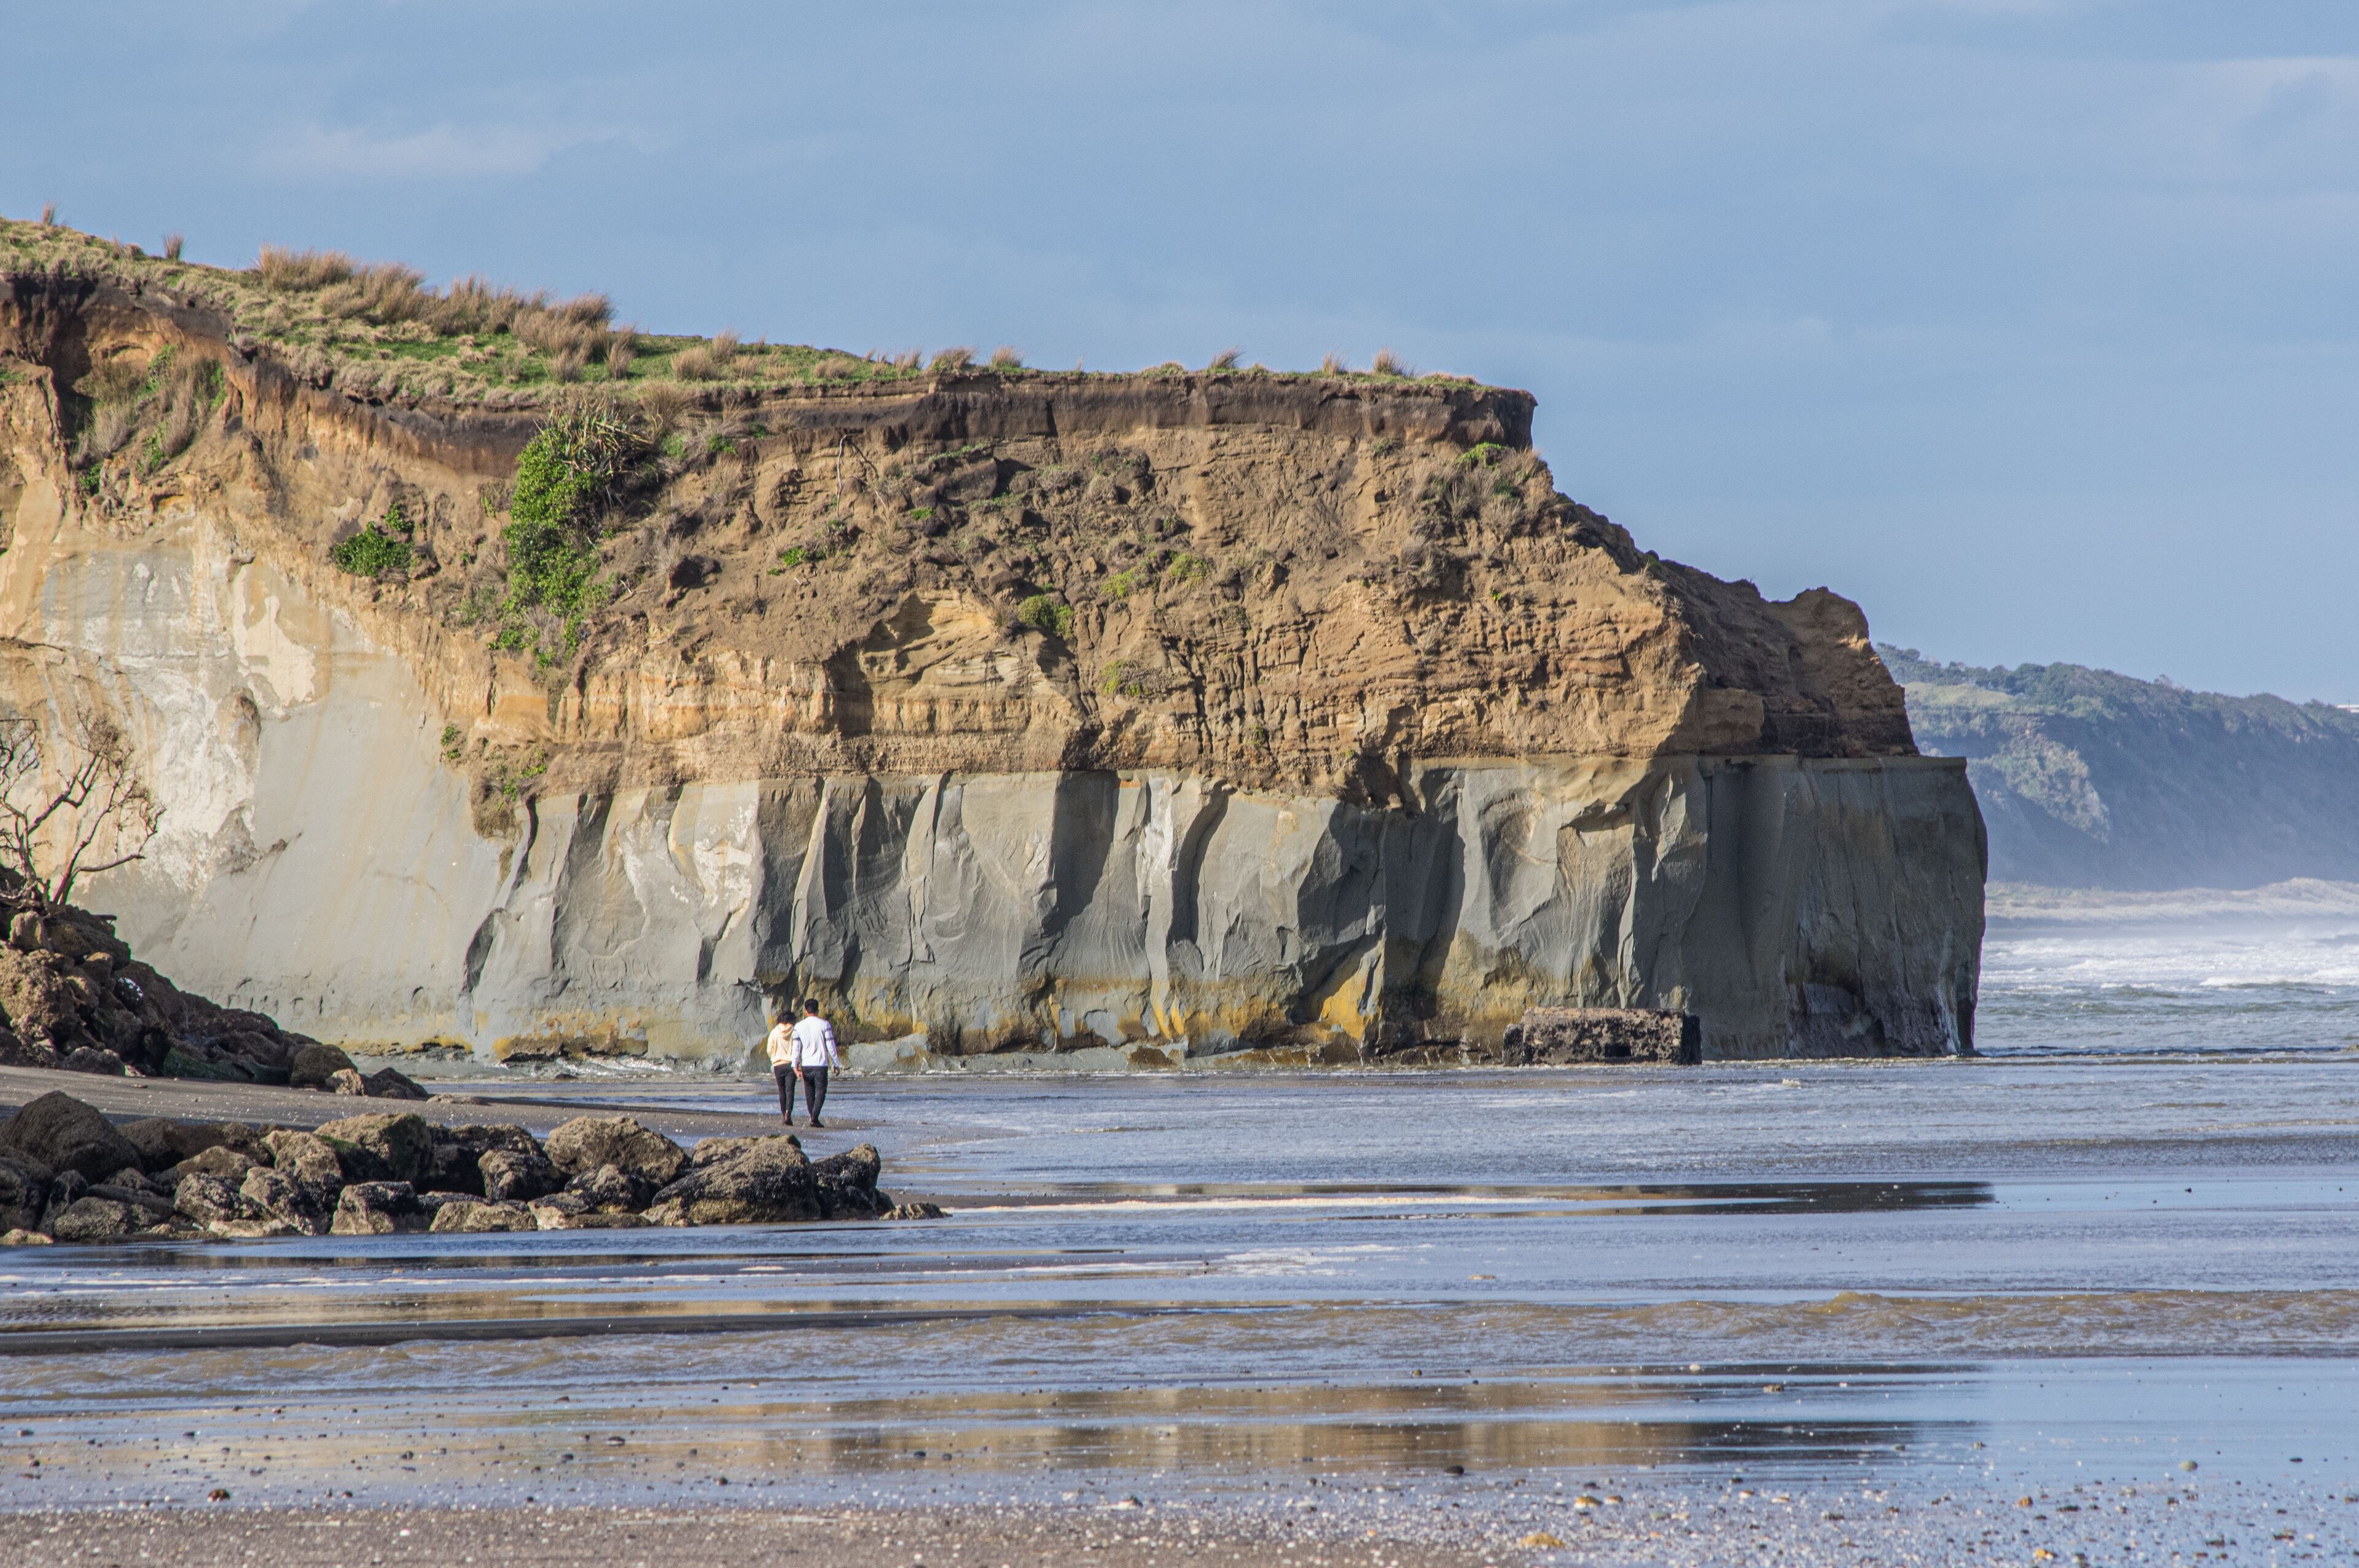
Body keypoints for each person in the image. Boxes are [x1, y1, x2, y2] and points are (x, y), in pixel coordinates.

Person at [778, 996, 840, 1128]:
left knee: (810, 1093)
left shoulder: (799, 1027)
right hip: (821, 1064)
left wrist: (795, 1066)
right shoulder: (825, 1025)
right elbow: (831, 1046)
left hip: (806, 1065)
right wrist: (836, 1063)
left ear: (806, 1011)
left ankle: (814, 1117)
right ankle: (814, 1117)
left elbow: (796, 1049)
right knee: (821, 1092)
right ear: (817, 1011)